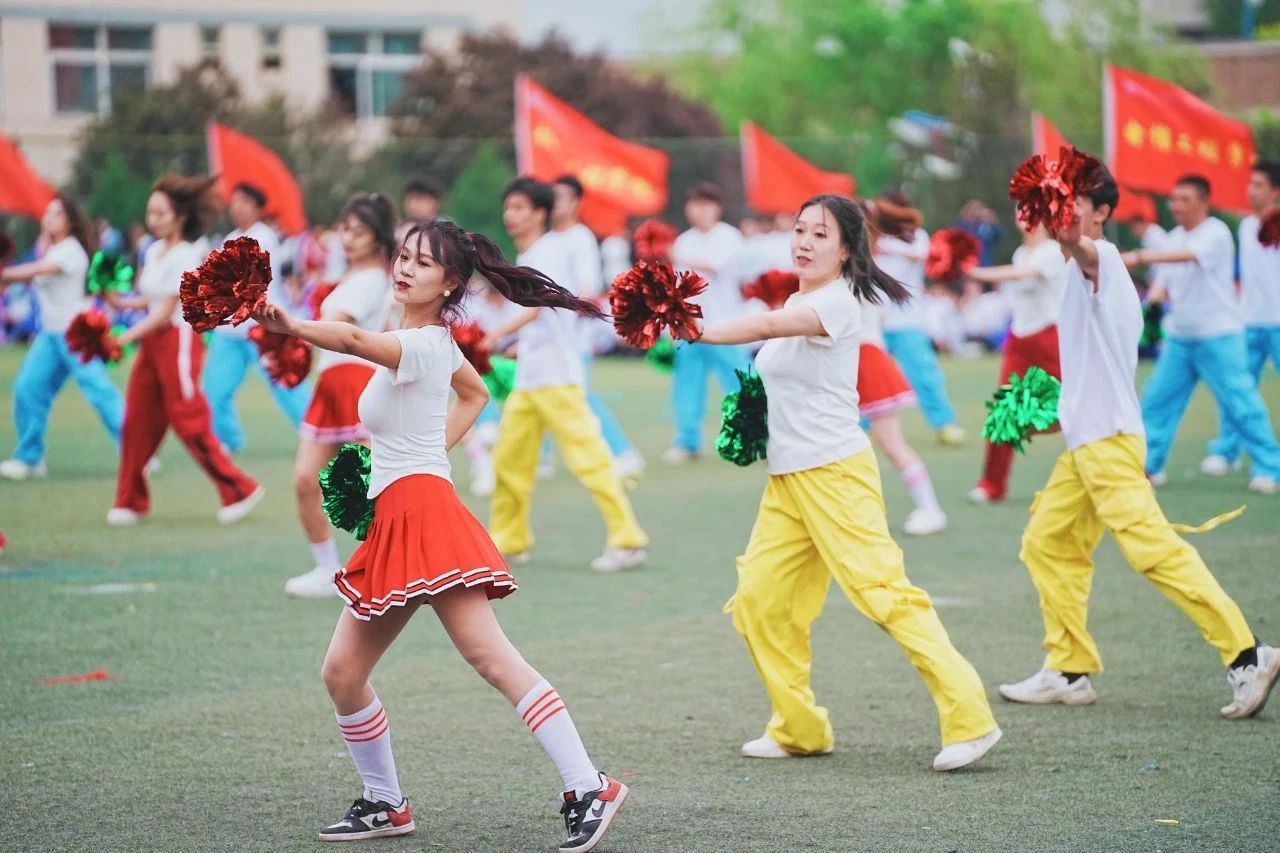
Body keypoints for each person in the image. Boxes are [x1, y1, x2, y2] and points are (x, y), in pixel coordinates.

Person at [251, 217, 628, 851]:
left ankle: (590, 786)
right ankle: (385, 802)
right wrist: (429, 452)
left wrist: (291, 325)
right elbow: (474, 395)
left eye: (422, 263)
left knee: (491, 658)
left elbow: (350, 337)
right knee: (342, 673)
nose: (405, 268)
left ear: (450, 282)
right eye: (403, 256)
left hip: (425, 516)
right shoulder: (433, 342)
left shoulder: (424, 343)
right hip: (396, 518)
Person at [676, 194, 1001, 771]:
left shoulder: (840, 302)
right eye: (799, 230)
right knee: (760, 601)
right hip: (788, 481)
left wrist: (695, 328)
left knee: (884, 595)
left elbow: (767, 325)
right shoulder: (801, 297)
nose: (804, 242)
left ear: (847, 249)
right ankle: (798, 728)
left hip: (835, 474)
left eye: (820, 234)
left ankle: (971, 721)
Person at [1000, 158, 1280, 718]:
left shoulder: (1100, 257)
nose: (1064, 212)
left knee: (1154, 552)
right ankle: (1069, 670)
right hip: (1088, 444)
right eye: (1060, 202)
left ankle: (1248, 654)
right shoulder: (1078, 270)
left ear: (1102, 213)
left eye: (1076, 203)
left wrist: (1067, 233)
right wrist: (1046, 411)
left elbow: (1080, 248)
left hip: (1107, 445)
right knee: (1047, 543)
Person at [484, 177, 648, 572]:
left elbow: (541, 305)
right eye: (507, 207)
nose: (510, 215)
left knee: (590, 459)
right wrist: (517, 344)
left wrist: (496, 335)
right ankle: (509, 541)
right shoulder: (532, 252)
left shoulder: (551, 250)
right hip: (531, 377)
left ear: (540, 213)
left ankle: (626, 540)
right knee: (508, 462)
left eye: (519, 208)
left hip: (557, 376)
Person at [105, 174, 263, 526]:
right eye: (150, 212)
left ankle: (239, 489)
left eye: (161, 213)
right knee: (136, 421)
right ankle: (130, 501)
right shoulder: (152, 250)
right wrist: (118, 301)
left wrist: (121, 340)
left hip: (177, 341)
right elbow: (150, 299)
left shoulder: (186, 255)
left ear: (179, 217)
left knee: (189, 420)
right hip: (152, 342)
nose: (154, 219)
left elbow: (164, 312)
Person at [1121, 174, 1280, 493]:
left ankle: (1269, 467)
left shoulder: (1216, 233)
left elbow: (1188, 256)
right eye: (1174, 200)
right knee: (1155, 403)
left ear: (1203, 203)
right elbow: (1162, 284)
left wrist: (1137, 257)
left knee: (1241, 404)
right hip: (1180, 339)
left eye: (1185, 200)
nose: (1176, 206)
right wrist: (1151, 308)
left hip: (1219, 336)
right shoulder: (1173, 238)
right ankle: (1148, 467)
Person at [284, 194, 396, 598]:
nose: (348, 238)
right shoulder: (349, 277)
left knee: (370, 487)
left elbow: (338, 325)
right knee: (305, 480)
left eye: (359, 232)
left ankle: (389, 568)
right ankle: (328, 569)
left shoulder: (373, 280)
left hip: (356, 382)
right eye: (345, 229)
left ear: (377, 237)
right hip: (330, 383)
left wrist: (290, 330)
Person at [0, 195, 123, 480]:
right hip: (51, 334)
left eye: (56, 214)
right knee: (28, 388)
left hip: (76, 334)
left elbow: (38, 270)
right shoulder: (52, 248)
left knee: (100, 392)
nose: (48, 218)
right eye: (47, 213)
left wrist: (5, 275)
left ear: (70, 220)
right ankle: (30, 457)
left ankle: (139, 452)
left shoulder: (71, 250)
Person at [202, 182, 313, 454]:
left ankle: (316, 432)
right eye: (235, 201)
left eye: (244, 202)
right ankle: (229, 440)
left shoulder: (264, 236)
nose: (237, 207)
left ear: (257, 208)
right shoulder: (229, 238)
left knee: (287, 384)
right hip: (231, 332)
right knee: (215, 390)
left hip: (265, 327)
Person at [551, 175, 645, 478]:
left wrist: (572, 307)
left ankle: (622, 452)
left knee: (578, 394)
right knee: (539, 394)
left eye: (562, 197)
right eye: (552, 197)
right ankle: (539, 458)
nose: (556, 203)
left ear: (576, 202)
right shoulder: (546, 240)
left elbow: (587, 288)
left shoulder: (580, 237)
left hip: (573, 333)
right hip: (546, 333)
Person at [966, 221, 1065, 503]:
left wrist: (976, 272)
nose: (1023, 214)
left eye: (1029, 207)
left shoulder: (1052, 251)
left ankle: (1132, 474)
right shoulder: (1021, 252)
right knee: (1004, 411)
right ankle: (992, 485)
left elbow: (1024, 274)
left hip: (1050, 340)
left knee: (1078, 409)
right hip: (1020, 341)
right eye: (1020, 208)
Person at [1203, 161, 1280, 477]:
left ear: (1275, 191)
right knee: (1236, 391)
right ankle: (1227, 450)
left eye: (1259, 185)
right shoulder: (1246, 227)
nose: (1251, 190)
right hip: (1248, 322)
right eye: (1250, 184)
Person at [873, 191, 966, 446]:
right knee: (865, 377)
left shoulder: (916, 237)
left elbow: (922, 254)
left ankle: (944, 424)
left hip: (907, 321)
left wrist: (885, 247)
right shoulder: (872, 237)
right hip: (873, 321)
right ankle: (861, 427)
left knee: (924, 375)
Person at [666, 182, 749, 463]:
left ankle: (750, 437)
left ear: (717, 208)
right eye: (694, 204)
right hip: (689, 326)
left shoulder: (728, 236)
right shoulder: (684, 240)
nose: (699, 211)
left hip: (726, 326)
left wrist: (677, 257)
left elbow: (716, 266)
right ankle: (687, 442)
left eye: (705, 204)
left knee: (739, 384)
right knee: (687, 386)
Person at [858, 299, 948, 536]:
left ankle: (930, 509)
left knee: (891, 444)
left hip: (865, 362)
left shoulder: (852, 284)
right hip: (855, 361)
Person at [394, 177, 445, 245]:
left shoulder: (446, 232)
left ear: (436, 203)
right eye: (411, 198)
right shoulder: (398, 231)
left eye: (420, 199)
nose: (414, 204)